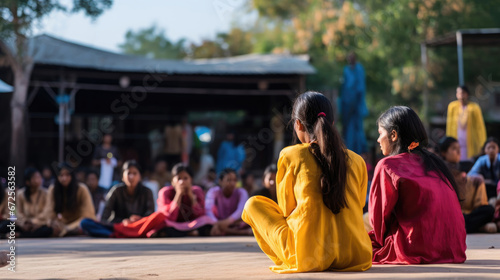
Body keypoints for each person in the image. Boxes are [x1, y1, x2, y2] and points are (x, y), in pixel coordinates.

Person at [243, 91, 372, 273]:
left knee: (253, 204)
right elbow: (358, 206)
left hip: (308, 256)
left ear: (298, 125)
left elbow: (287, 209)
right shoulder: (357, 160)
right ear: (332, 124)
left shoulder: (291, 155)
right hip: (355, 254)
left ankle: (289, 257)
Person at [369, 106, 466, 264]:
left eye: (380, 133)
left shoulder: (387, 165)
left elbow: (378, 222)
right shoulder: (434, 162)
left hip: (416, 248)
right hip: (454, 248)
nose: (378, 140)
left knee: (358, 244)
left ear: (393, 135)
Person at [113, 164, 212, 238]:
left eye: (185, 178)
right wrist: (178, 195)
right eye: (179, 179)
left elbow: (200, 214)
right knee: (161, 219)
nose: (182, 182)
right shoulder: (165, 192)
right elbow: (169, 216)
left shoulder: (197, 191)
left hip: (191, 224)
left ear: (191, 180)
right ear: (173, 180)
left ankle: (187, 232)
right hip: (171, 224)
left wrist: (191, 198)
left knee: (206, 220)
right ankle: (188, 232)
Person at [80, 160, 155, 237]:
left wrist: (139, 220)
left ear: (140, 176)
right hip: (120, 226)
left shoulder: (147, 191)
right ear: (123, 176)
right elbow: (105, 216)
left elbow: (151, 214)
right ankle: (115, 234)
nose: (131, 176)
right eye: (128, 173)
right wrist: (123, 222)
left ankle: (116, 234)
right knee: (85, 222)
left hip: (140, 226)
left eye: (134, 173)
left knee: (160, 216)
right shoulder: (116, 190)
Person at [439, 137, 496, 233]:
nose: (458, 151)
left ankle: (462, 226)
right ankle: (469, 226)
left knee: (489, 210)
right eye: (453, 148)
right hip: (450, 213)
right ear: (444, 153)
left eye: (459, 148)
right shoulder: (439, 171)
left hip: (466, 215)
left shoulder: (464, 169)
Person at [40, 163, 96, 237]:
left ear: (72, 176)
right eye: (61, 175)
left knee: (87, 224)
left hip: (79, 224)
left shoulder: (82, 189)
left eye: (67, 175)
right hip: (62, 225)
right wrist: (52, 222)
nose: (64, 178)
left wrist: (68, 228)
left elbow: (88, 215)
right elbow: (49, 212)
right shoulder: (53, 189)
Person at [446, 85, 486, 160]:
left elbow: (480, 127)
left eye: (463, 93)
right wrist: (449, 141)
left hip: (470, 144)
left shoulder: (474, 108)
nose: (461, 96)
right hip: (456, 142)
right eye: (458, 93)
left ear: (467, 94)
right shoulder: (452, 107)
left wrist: (482, 144)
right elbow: (449, 125)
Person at [206, 168, 250, 236]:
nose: (232, 183)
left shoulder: (241, 192)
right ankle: (241, 232)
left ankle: (225, 231)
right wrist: (216, 223)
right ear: (220, 181)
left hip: (235, 223)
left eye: (234, 180)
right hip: (217, 223)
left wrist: (226, 222)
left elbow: (241, 210)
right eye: (228, 180)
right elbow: (208, 210)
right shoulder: (213, 191)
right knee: (203, 220)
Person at [340, 52, 368, 155]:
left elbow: (360, 87)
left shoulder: (359, 69)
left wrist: (355, 102)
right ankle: (349, 150)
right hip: (347, 104)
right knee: (348, 129)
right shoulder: (346, 69)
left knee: (358, 128)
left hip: (356, 105)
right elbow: (345, 87)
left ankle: (360, 151)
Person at [14, 168, 53, 237]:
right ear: (27, 182)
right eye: (35, 178)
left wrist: (34, 222)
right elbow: (19, 213)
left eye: (39, 177)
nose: (39, 180)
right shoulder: (20, 194)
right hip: (25, 224)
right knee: (7, 225)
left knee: (48, 230)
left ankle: (22, 235)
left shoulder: (46, 193)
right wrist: (25, 223)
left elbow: (47, 212)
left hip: (40, 223)